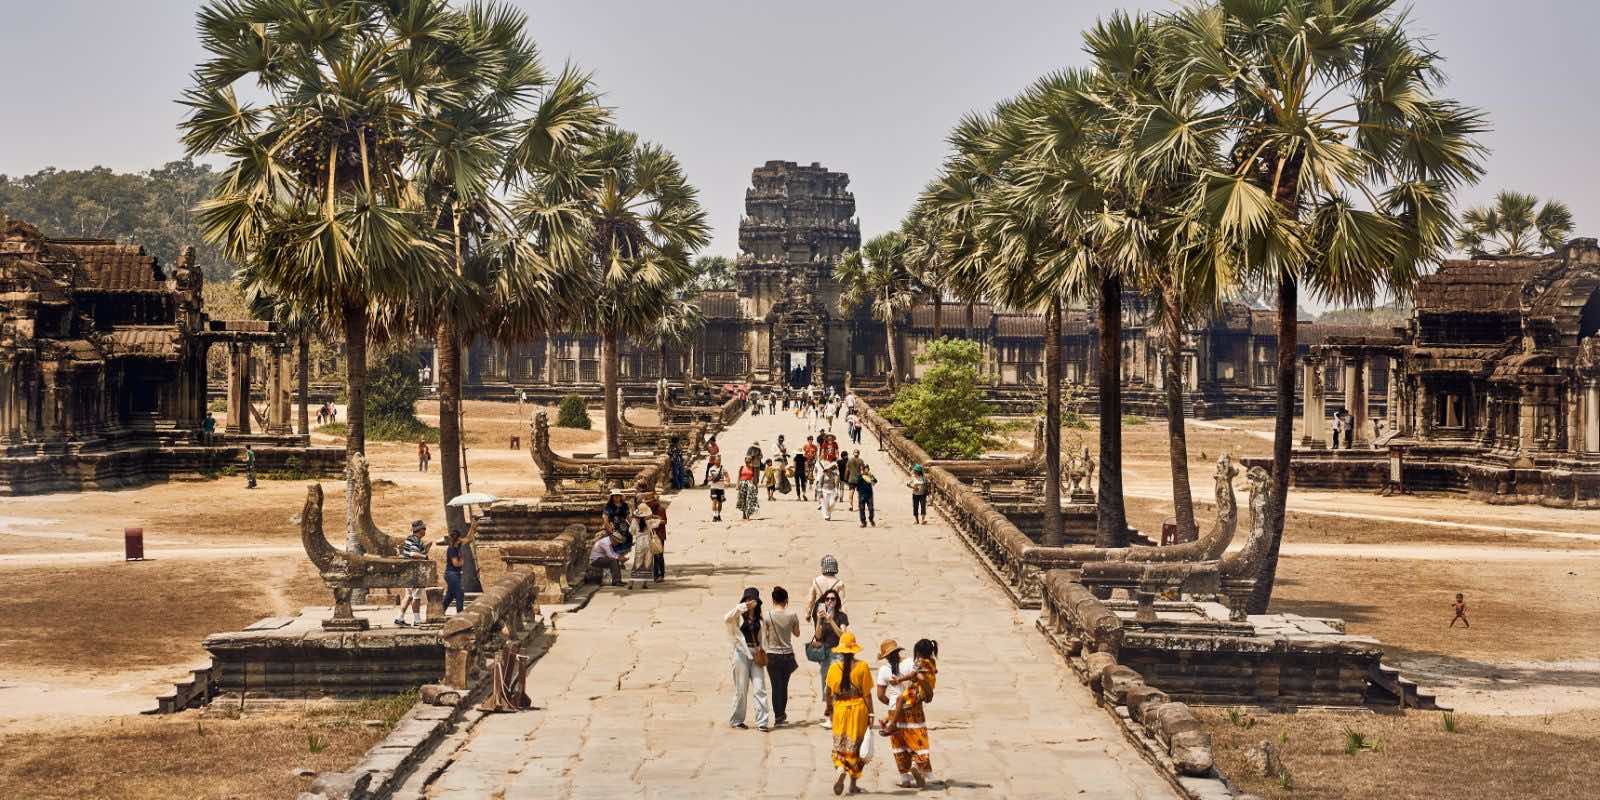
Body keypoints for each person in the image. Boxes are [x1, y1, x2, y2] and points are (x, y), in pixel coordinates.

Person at [880, 638, 939, 788]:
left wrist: (890, 714)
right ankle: (927, 773)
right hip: (915, 708)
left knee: (899, 745)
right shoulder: (914, 662)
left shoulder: (884, 670)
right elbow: (924, 679)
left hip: (895, 709)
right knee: (919, 740)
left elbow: (880, 696)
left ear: (885, 656)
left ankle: (905, 778)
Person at [826, 631, 875, 795]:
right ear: (854, 650)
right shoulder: (863, 667)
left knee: (840, 744)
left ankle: (840, 768)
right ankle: (853, 785)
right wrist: (871, 715)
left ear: (840, 650)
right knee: (857, 747)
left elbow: (828, 693)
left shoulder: (833, 668)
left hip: (840, 709)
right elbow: (867, 695)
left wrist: (829, 709)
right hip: (859, 709)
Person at [725, 587, 772, 731]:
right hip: (741, 654)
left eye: (753, 600)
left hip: (756, 654)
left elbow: (765, 637)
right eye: (747, 599)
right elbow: (726, 618)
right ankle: (737, 720)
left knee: (760, 688)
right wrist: (743, 607)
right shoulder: (737, 617)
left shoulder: (761, 619)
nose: (750, 602)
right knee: (741, 688)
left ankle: (762, 722)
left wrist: (763, 647)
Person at [809, 587, 849, 726]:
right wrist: (820, 620)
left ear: (837, 601)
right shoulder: (820, 615)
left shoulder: (841, 616)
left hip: (838, 653)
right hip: (825, 654)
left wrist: (831, 620)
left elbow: (843, 635)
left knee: (837, 684)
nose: (830, 601)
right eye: (827, 599)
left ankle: (838, 715)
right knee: (826, 686)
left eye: (833, 599)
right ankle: (830, 716)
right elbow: (818, 636)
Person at [763, 585, 802, 726]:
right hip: (787, 655)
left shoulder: (767, 615)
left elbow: (763, 635)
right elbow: (797, 633)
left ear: (773, 600)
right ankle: (781, 715)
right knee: (784, 686)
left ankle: (778, 716)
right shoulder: (792, 615)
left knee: (775, 686)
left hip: (772, 655)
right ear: (786, 600)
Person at [396, 520, 429, 626]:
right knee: (416, 597)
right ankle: (417, 620)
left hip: (407, 571)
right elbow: (413, 553)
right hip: (414, 572)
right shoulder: (415, 540)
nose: (425, 530)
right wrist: (425, 556)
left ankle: (400, 618)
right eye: (424, 529)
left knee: (409, 595)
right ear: (420, 530)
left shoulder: (411, 539)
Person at [640, 486, 669, 582]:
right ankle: (654, 575)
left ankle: (660, 575)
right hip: (648, 535)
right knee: (650, 556)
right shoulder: (645, 510)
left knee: (658, 555)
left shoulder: (660, 509)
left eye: (649, 503)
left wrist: (655, 521)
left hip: (659, 535)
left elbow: (664, 522)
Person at [441, 528, 466, 614]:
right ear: (457, 539)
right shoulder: (452, 549)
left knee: (450, 595)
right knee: (459, 592)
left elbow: (468, 539)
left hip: (455, 574)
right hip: (451, 574)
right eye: (459, 539)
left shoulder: (457, 547)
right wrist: (462, 560)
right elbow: (456, 564)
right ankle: (460, 613)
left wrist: (473, 528)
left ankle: (440, 611)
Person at [737, 456, 761, 521]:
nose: (748, 460)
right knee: (742, 499)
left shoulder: (753, 468)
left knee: (749, 499)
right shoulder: (742, 467)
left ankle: (748, 515)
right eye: (747, 459)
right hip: (742, 484)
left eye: (750, 459)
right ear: (745, 460)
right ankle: (744, 514)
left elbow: (755, 478)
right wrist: (737, 485)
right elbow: (739, 476)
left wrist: (755, 486)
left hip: (750, 484)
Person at [856, 462, 877, 527]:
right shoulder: (860, 476)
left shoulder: (870, 476)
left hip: (869, 495)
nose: (866, 470)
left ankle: (871, 519)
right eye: (865, 469)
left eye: (867, 469)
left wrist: (871, 477)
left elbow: (875, 481)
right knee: (862, 509)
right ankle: (863, 522)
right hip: (862, 494)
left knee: (871, 509)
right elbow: (857, 485)